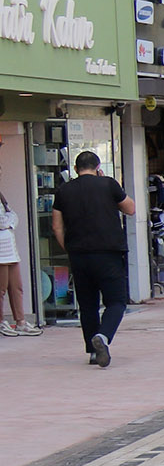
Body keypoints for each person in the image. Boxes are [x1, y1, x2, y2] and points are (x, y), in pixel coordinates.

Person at [51, 151, 135, 368]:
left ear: (76, 168)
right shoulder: (108, 184)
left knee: (87, 305)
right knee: (116, 302)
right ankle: (103, 337)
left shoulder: (64, 190)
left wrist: (69, 247)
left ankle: (92, 351)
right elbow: (131, 209)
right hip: (108, 253)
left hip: (79, 255)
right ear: (98, 167)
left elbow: (56, 226)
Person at [0, 135, 32, 336]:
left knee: (16, 287)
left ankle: (21, 321)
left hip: (10, 248)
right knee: (1, 288)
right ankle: (2, 321)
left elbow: (13, 215)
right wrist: (8, 222)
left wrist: (8, 223)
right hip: (1, 250)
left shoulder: (1, 196)